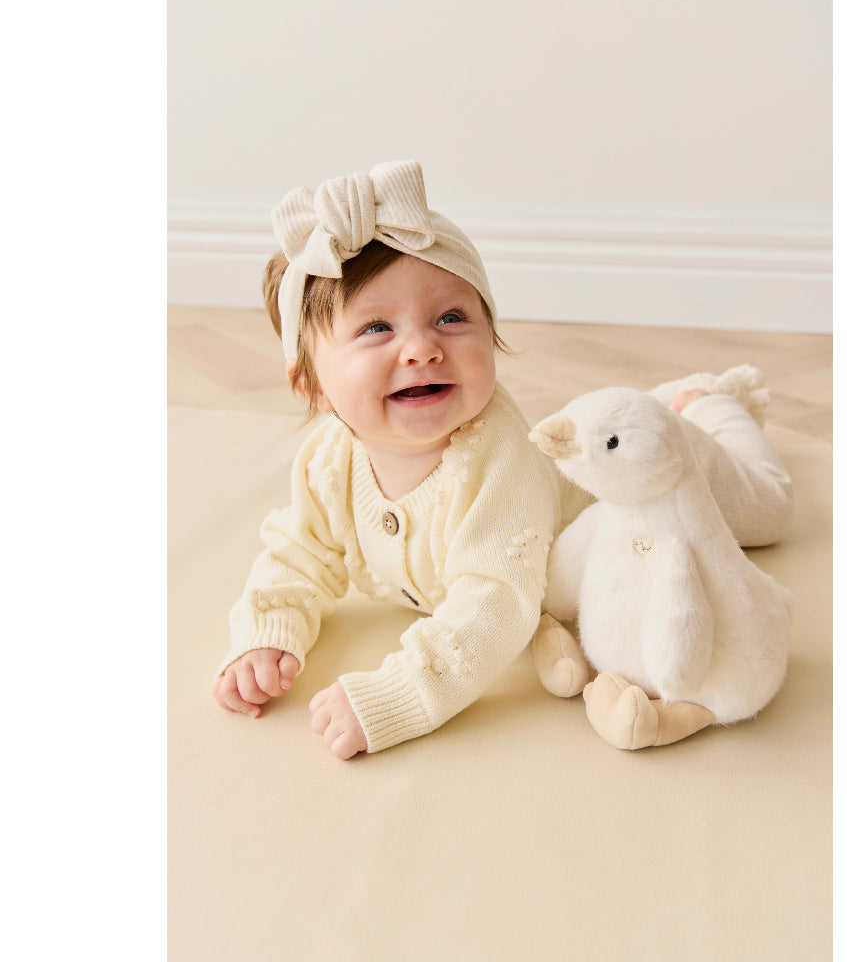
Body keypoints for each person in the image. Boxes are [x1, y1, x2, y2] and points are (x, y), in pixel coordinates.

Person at [211, 160, 794, 759]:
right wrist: (267, 633)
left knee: (770, 508)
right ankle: (659, 402)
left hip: (645, 475)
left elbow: (495, 602)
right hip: (587, 471)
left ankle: (707, 404)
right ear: (312, 385)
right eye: (377, 328)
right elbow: (299, 552)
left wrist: (395, 694)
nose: (422, 349)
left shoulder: (496, 462)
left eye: (450, 318)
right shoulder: (327, 463)